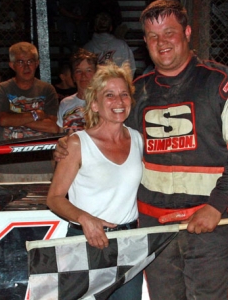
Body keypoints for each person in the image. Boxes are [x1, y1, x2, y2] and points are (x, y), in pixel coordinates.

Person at [55, 0, 228, 299]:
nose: (161, 42)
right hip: (153, 229)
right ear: (144, 42)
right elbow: (110, 139)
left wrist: (217, 205)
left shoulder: (223, 85)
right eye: (152, 36)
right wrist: (69, 144)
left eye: (169, 32)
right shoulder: (137, 92)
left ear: (188, 32)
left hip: (206, 224)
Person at [47, 62, 144, 299]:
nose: (119, 102)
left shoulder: (139, 139)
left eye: (124, 94)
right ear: (94, 104)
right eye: (109, 95)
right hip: (85, 242)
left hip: (128, 246)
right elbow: (54, 198)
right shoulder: (77, 143)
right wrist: (84, 219)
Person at [0, 42, 59, 182]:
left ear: (37, 63)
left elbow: (52, 127)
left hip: (42, 166)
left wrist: (16, 119)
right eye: (20, 62)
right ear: (12, 65)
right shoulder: (3, 88)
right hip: (9, 166)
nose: (26, 66)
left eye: (30, 61)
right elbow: (3, 120)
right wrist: (36, 115)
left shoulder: (47, 90)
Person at [83, 12, 136, 76]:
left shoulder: (86, 48)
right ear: (111, 28)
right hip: (117, 85)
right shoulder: (121, 45)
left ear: (95, 27)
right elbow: (131, 68)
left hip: (95, 85)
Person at [57, 49, 97, 132]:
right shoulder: (65, 103)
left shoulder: (105, 102)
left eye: (88, 71)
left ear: (96, 74)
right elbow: (60, 134)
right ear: (73, 76)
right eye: (79, 71)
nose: (83, 76)